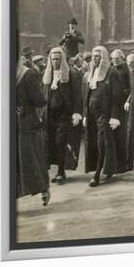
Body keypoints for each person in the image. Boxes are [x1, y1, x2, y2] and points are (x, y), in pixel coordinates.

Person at [42, 47, 82, 184]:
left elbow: (77, 95)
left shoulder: (72, 74)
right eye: (53, 59)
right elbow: (44, 94)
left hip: (64, 115)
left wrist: (77, 112)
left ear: (62, 59)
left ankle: (61, 171)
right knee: (53, 142)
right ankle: (58, 170)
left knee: (61, 142)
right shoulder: (47, 74)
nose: (55, 62)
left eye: (58, 59)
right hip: (50, 115)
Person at [16, 54, 50, 206]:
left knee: (26, 158)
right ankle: (43, 190)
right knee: (32, 157)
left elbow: (39, 101)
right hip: (25, 122)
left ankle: (42, 189)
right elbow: (40, 100)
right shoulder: (27, 74)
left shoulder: (24, 74)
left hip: (23, 124)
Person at [83, 46, 119, 187]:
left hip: (104, 113)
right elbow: (87, 95)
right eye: (93, 56)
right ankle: (101, 168)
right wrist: (85, 114)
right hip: (92, 114)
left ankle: (97, 174)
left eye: (98, 56)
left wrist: (114, 116)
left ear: (103, 57)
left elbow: (116, 97)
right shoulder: (89, 73)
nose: (94, 59)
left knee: (101, 141)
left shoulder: (111, 73)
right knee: (92, 142)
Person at [110, 49, 130, 174]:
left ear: (122, 58)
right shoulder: (111, 70)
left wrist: (127, 98)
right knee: (115, 135)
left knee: (123, 135)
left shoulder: (126, 70)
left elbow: (131, 87)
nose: (115, 61)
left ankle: (124, 163)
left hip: (123, 106)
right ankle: (116, 162)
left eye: (117, 59)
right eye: (113, 59)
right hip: (114, 106)